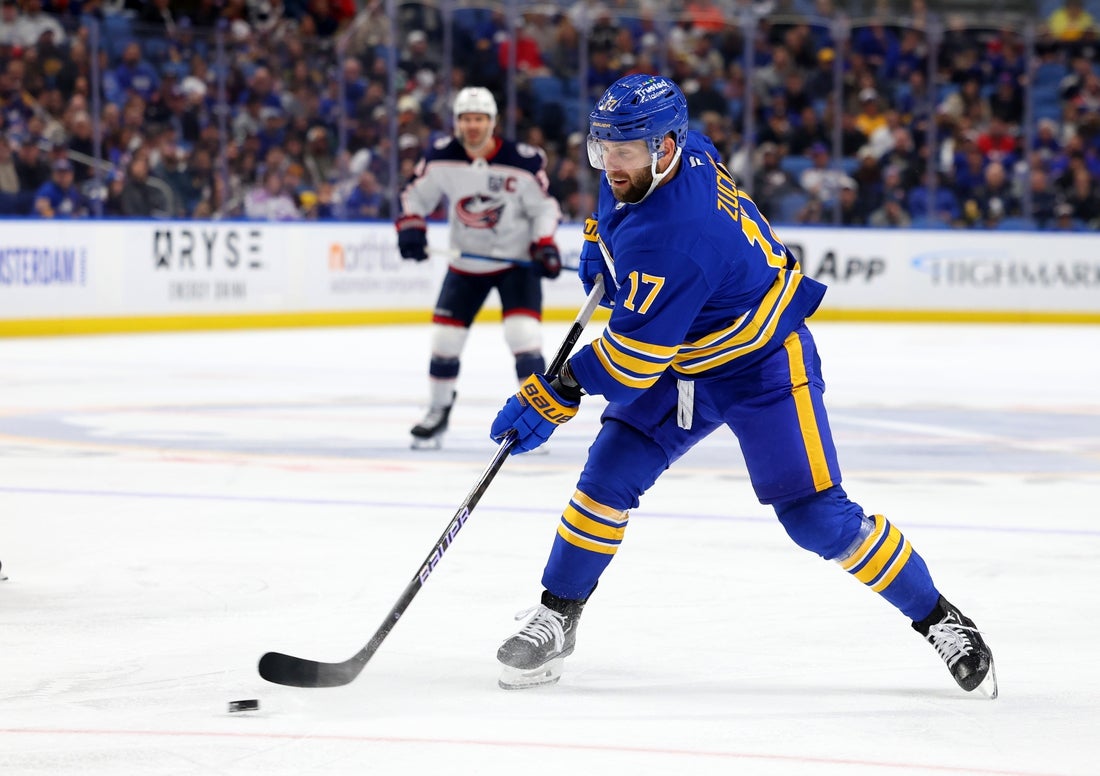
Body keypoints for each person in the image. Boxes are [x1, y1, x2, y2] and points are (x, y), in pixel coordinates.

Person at [489, 74, 997, 698]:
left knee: (816, 518)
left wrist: (558, 389)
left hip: (762, 363)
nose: (610, 164)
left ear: (665, 147)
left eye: (624, 150)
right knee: (606, 479)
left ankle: (940, 618)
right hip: (685, 352)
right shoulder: (675, 153)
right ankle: (558, 616)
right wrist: (599, 234)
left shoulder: (677, 237)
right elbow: (619, 197)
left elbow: (631, 364)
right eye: (603, 148)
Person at [396, 86, 563, 449]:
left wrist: (544, 242)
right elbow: (415, 195)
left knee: (523, 336)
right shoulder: (441, 157)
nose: (472, 126)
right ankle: (438, 411)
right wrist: (411, 225)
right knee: (444, 340)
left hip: (516, 263)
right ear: (456, 122)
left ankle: (535, 416)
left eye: (479, 119)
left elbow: (544, 208)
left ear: (493, 122)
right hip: (467, 262)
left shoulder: (522, 160)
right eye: (466, 119)